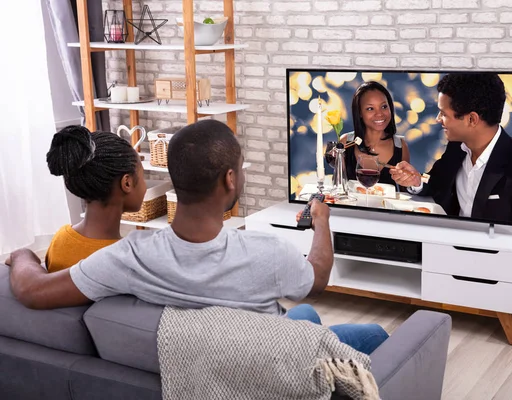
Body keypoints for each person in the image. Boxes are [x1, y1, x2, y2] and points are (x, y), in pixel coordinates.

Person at [7, 120, 388, 355]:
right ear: (230, 179)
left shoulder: (128, 258)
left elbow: (32, 291)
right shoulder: (269, 253)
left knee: (305, 315)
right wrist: (321, 221)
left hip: (209, 353)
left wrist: (23, 255)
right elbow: (317, 279)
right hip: (267, 357)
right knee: (371, 332)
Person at [391, 73, 512, 224]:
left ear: (471, 119)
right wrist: (416, 181)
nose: (437, 119)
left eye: (443, 113)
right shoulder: (457, 147)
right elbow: (437, 184)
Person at [44, 125, 147, 272]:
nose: (145, 185)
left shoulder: (59, 240)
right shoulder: (127, 260)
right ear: (127, 183)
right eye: (142, 176)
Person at [340, 81, 410, 186]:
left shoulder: (400, 145)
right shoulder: (345, 142)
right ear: (359, 113)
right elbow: (337, 187)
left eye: (384, 107)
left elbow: (405, 192)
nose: (379, 114)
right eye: (370, 109)